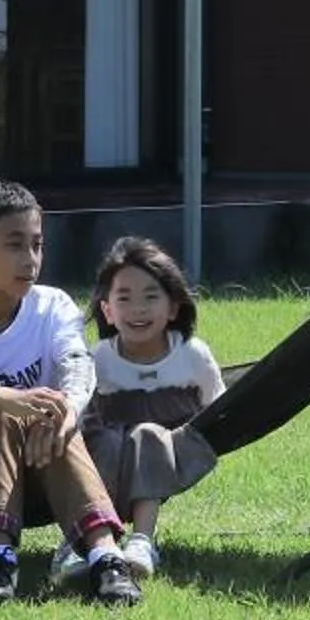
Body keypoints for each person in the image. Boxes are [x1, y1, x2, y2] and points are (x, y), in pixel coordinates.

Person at [0, 178, 144, 606]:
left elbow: (77, 367)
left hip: (45, 450)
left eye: (37, 244)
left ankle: (107, 559)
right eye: (15, 245)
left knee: (54, 415)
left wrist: (67, 413)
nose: (30, 259)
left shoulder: (53, 306)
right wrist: (2, 400)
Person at [84, 236, 227, 579]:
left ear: (173, 307)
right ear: (108, 310)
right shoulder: (99, 359)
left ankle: (142, 541)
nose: (138, 309)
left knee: (147, 435)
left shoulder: (192, 355)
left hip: (177, 450)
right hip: (113, 456)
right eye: (125, 298)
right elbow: (85, 414)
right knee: (105, 440)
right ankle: (97, 536)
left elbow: (220, 406)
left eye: (151, 297)